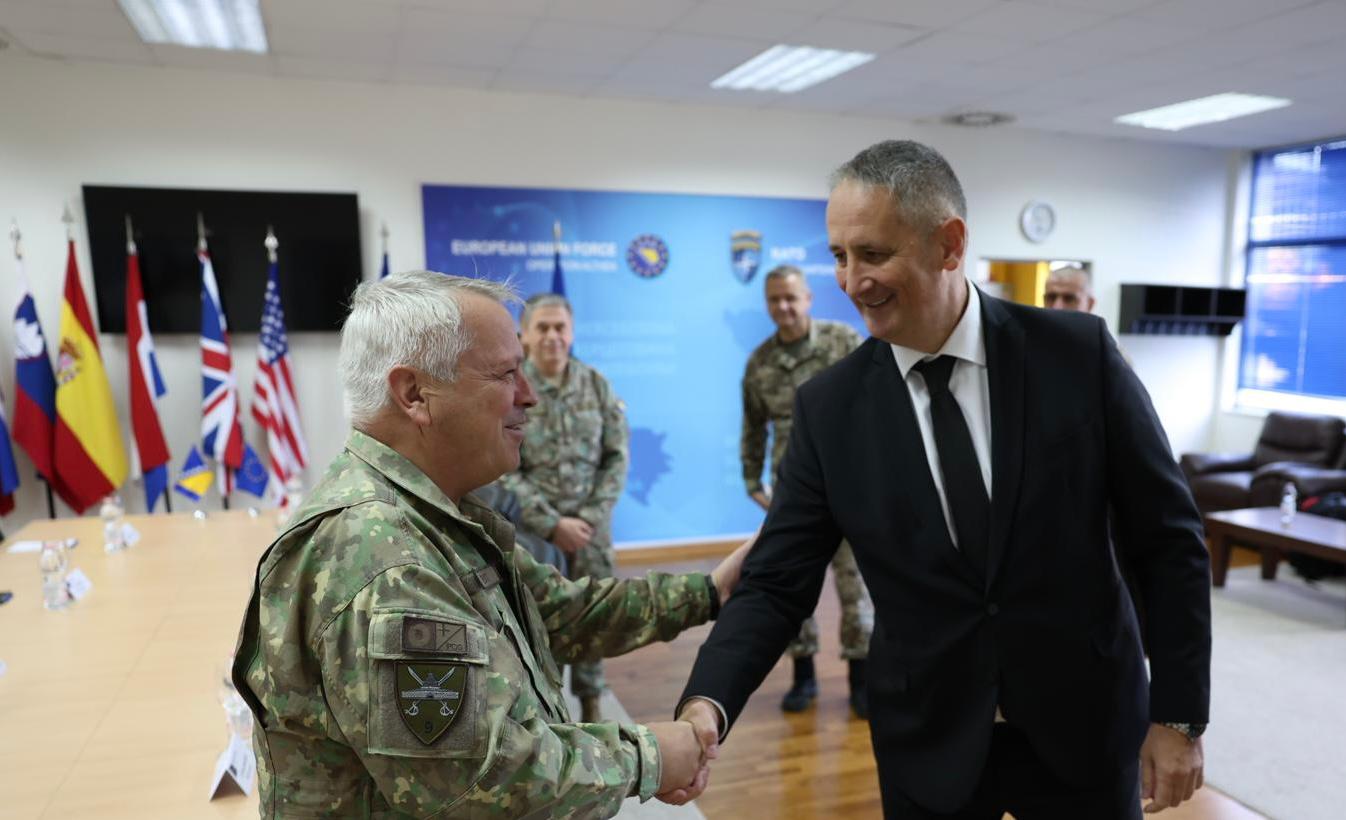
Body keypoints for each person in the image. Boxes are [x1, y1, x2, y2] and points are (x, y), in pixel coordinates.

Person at [676, 140, 1211, 819]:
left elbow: (1168, 540)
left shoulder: (1078, 357)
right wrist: (707, 703)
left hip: (1086, 728)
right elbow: (778, 581)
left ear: (949, 244)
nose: (851, 281)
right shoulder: (829, 409)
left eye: (873, 254)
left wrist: (1179, 715)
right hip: (928, 742)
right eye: (839, 256)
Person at [231, 271, 746, 818]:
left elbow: (559, 612)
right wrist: (650, 757)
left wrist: (710, 591)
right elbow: (482, 781)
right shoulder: (385, 558)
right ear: (414, 394)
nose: (529, 396)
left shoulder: (435, 516)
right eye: (505, 374)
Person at [741, 265, 874, 717]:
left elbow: (878, 403)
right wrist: (751, 480)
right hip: (795, 493)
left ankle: (861, 680)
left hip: (852, 484)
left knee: (856, 588)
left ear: (808, 298)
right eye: (774, 299)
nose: (784, 307)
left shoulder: (843, 342)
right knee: (794, 585)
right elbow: (753, 426)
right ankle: (803, 677)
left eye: (791, 298)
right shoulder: (760, 363)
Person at [500, 293, 628, 724]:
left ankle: (591, 703)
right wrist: (553, 524)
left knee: (592, 616)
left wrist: (588, 519)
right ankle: (548, 713)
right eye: (543, 328)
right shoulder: (512, 390)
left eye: (560, 327)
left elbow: (616, 457)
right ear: (524, 335)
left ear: (572, 333)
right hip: (536, 535)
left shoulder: (596, 385)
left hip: (591, 533)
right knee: (539, 620)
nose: (552, 336)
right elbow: (505, 468)